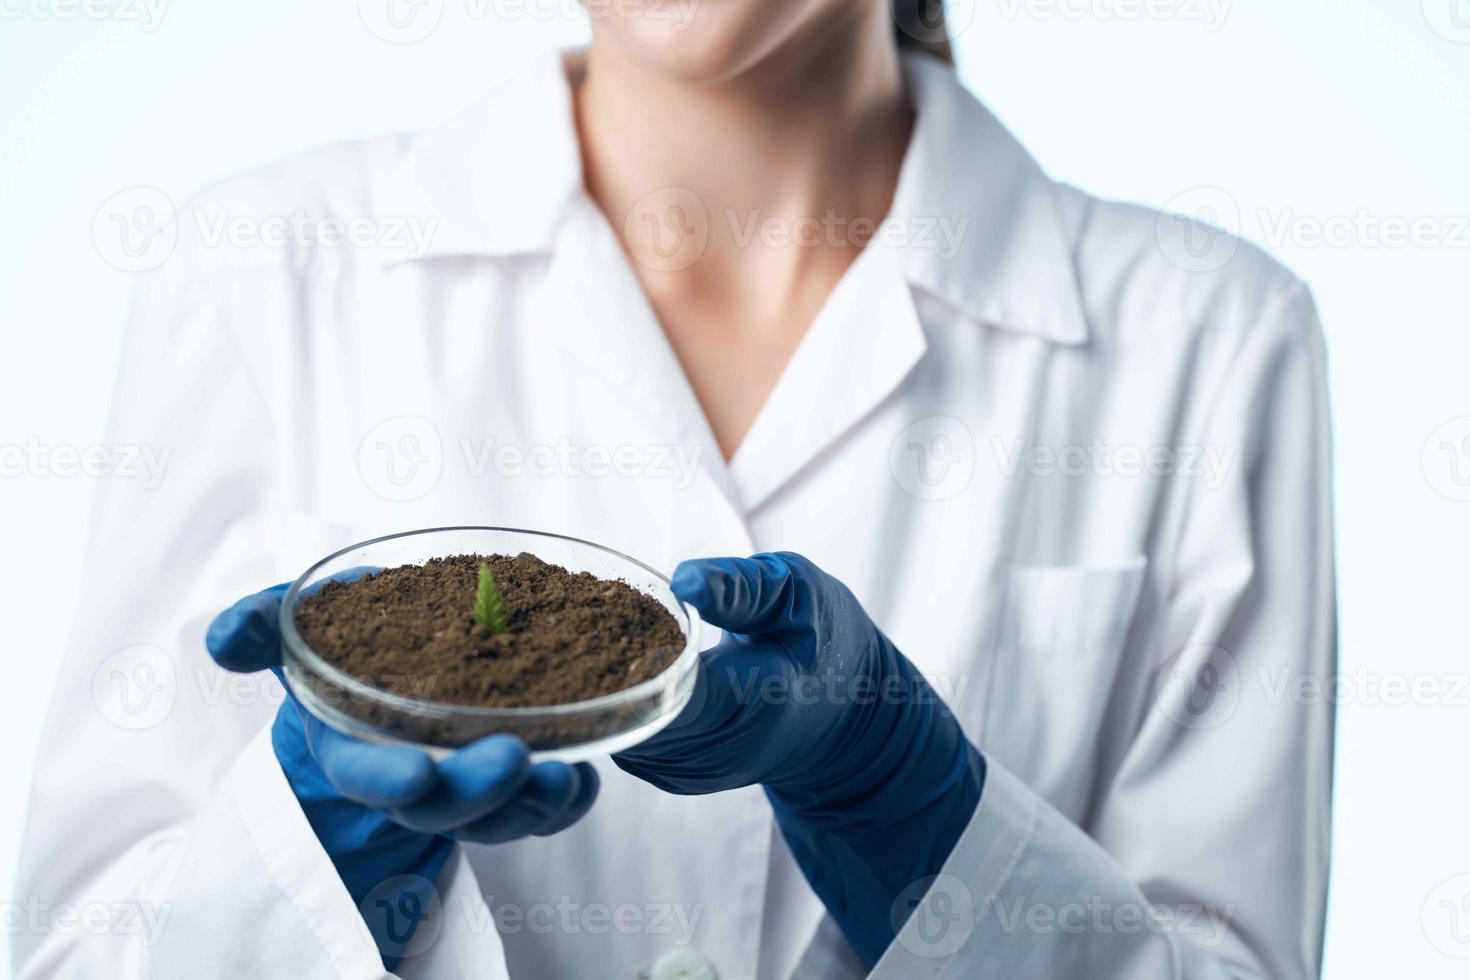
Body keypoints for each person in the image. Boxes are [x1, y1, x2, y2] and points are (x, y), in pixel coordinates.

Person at [13, 0, 1336, 976]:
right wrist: (317, 855)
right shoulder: (257, 276)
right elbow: (78, 955)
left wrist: (918, 825)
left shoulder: (1208, 342)